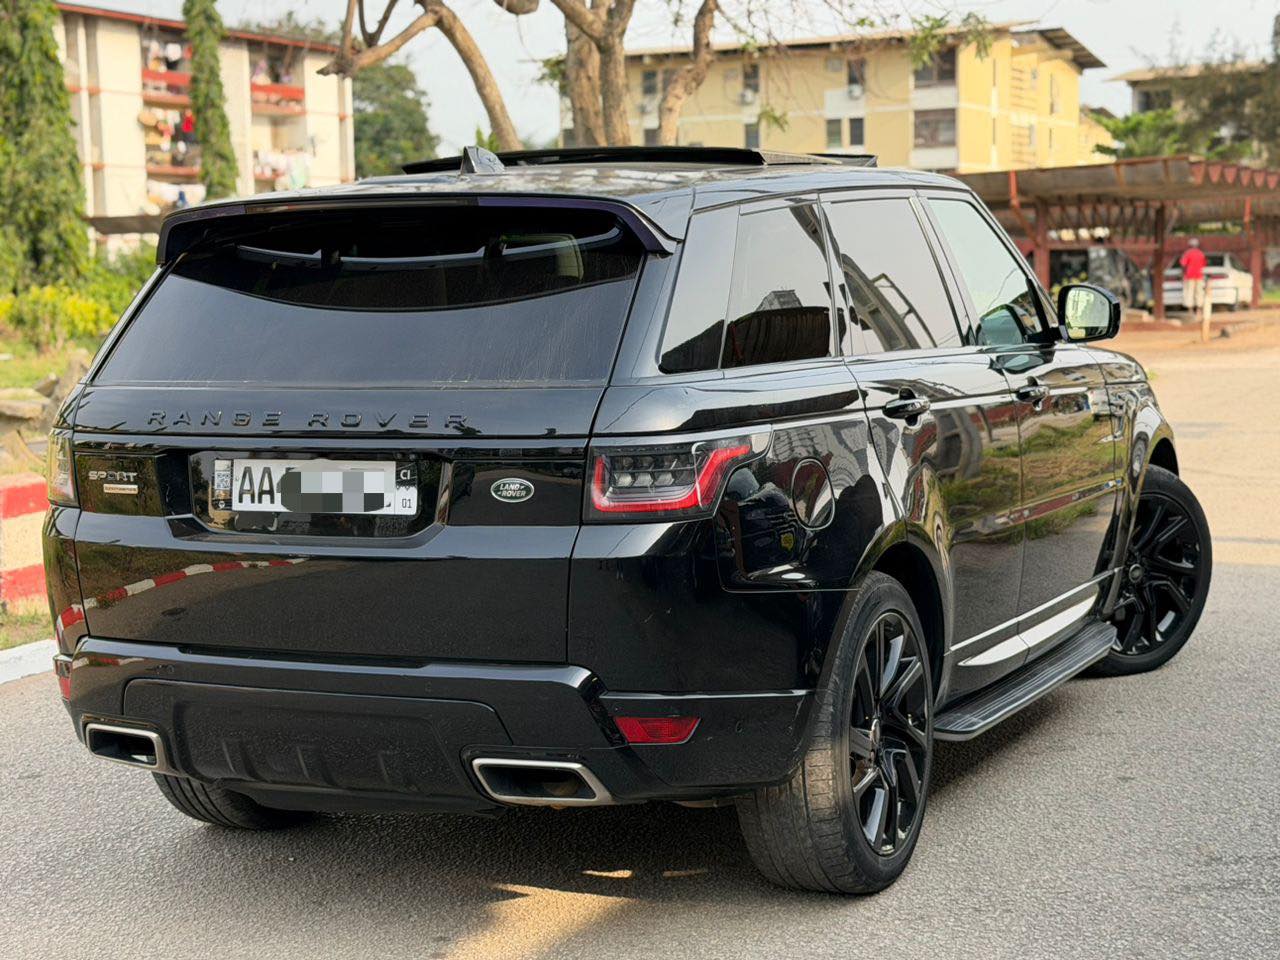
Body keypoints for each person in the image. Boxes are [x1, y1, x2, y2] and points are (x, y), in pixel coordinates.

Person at [1179, 237, 1212, 340]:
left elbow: (1183, 263)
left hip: (1189, 276)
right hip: (1199, 275)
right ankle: (1198, 310)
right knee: (1199, 293)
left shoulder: (1187, 253)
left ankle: (1190, 310)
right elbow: (1204, 264)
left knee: (1189, 292)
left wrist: (1183, 272)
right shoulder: (1201, 253)